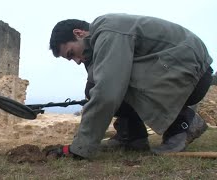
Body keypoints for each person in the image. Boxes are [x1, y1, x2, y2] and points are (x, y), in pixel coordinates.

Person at [45, 13, 214, 159]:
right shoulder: (95, 49)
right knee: (93, 86)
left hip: (193, 73)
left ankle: (183, 123)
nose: (76, 61)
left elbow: (107, 93)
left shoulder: (108, 32)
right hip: (174, 73)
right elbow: (97, 89)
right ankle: (132, 136)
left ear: (79, 33)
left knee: (112, 79)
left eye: (72, 54)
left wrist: (80, 147)